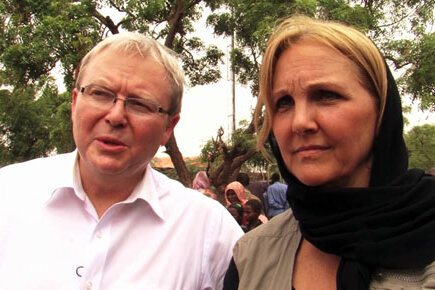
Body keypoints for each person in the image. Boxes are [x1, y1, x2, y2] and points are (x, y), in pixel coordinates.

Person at [0, 32, 243, 289]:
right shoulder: (9, 194)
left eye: (140, 105)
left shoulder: (209, 231)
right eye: (100, 94)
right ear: (74, 104)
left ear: (168, 127)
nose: (116, 116)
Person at [224, 15, 435, 290]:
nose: (300, 122)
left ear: (382, 111)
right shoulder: (251, 256)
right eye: (284, 102)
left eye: (326, 95)